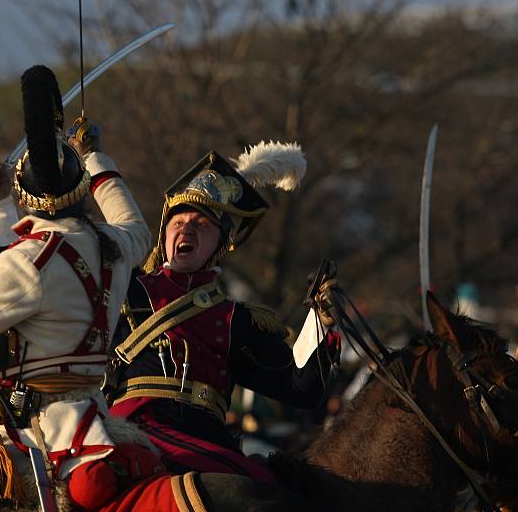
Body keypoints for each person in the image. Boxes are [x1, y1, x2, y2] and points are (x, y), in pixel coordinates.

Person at [0, 65, 158, 511]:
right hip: (96, 415)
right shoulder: (117, 244)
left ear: (24, 193)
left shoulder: (28, 262)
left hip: (34, 429)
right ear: (82, 189)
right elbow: (134, 223)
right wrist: (95, 158)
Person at [103, 145, 340, 483]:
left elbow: (300, 388)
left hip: (209, 440)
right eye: (179, 221)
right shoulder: (127, 287)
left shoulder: (238, 319)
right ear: (165, 234)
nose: (187, 229)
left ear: (221, 242)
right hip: (137, 428)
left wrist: (321, 321)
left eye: (202, 224)